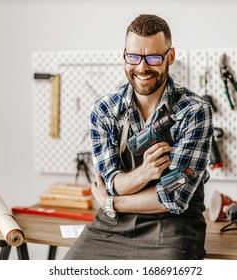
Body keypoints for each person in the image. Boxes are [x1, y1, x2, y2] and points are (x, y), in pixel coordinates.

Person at [64, 14, 213, 260]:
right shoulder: (104, 110)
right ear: (124, 55)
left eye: (153, 58)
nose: (142, 67)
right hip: (112, 225)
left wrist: (112, 202)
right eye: (133, 57)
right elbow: (110, 183)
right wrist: (145, 174)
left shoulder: (194, 111)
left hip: (172, 227)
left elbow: (173, 198)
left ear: (170, 57)